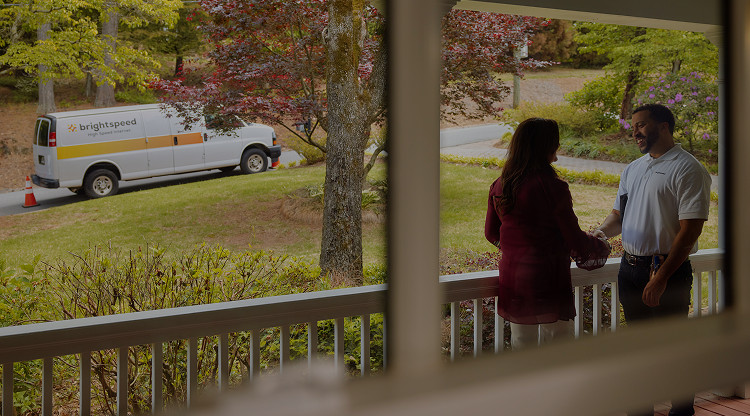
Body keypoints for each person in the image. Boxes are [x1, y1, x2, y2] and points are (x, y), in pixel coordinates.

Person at [593, 104, 712, 416]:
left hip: (664, 270)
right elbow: (619, 215)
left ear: (663, 127)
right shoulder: (633, 168)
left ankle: (682, 410)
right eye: (633, 126)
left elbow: (690, 231)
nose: (635, 132)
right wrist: (601, 234)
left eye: (642, 125)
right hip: (629, 268)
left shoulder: (688, 169)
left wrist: (660, 278)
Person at [484, 117, 610, 350]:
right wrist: (601, 243)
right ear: (548, 145)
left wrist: (517, 248)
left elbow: (491, 233)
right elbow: (575, 240)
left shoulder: (501, 184)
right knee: (557, 347)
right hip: (548, 279)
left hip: (513, 280)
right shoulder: (552, 187)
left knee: (523, 347)